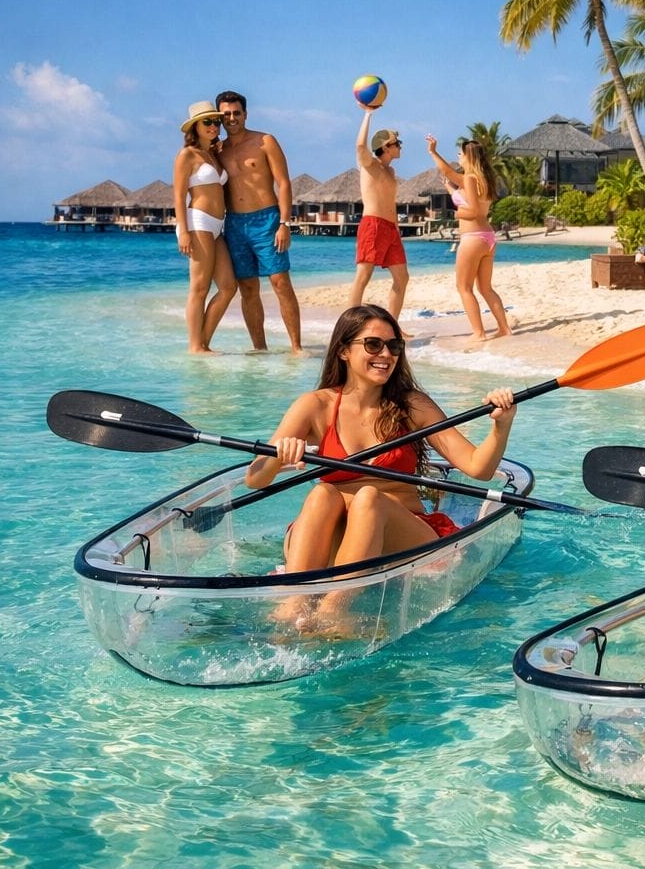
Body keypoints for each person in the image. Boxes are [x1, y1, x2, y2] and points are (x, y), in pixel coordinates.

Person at [246, 304, 517, 624]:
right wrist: (277, 456)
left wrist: (502, 425)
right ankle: (293, 606)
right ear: (344, 351)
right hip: (335, 536)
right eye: (374, 344)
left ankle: (335, 611)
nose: (386, 354)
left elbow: (477, 468)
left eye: (394, 346)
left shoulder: (412, 405)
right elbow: (256, 479)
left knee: (369, 497)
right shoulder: (314, 405)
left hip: (402, 536)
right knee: (321, 495)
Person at [217, 90, 304, 354]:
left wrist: (284, 223)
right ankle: (260, 348)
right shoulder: (217, 150)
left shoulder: (265, 141)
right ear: (220, 118)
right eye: (226, 114)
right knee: (247, 287)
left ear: (245, 114)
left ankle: (296, 347)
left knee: (280, 282)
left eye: (236, 113)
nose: (231, 118)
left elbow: (284, 183)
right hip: (234, 224)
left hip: (267, 219)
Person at [426, 134, 511, 341]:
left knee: (464, 287)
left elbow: (473, 211)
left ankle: (479, 333)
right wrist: (449, 187)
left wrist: (433, 151)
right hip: (488, 238)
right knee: (485, 288)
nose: (458, 156)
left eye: (460, 153)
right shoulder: (482, 180)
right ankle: (504, 329)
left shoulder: (470, 179)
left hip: (473, 237)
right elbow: (466, 197)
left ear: (469, 157)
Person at [171, 101, 236, 354]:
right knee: (199, 288)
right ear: (194, 127)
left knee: (229, 287)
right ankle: (194, 346)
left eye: (215, 121)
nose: (213, 126)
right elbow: (177, 196)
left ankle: (204, 341)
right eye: (207, 122)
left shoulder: (214, 154)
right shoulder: (186, 155)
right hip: (197, 221)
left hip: (217, 225)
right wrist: (183, 230)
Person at [347, 108, 409, 320]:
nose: (400, 146)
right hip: (372, 225)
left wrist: (397, 229)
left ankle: (393, 325)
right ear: (386, 147)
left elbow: (391, 203)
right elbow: (360, 146)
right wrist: (368, 114)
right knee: (363, 276)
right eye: (397, 143)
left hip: (391, 229)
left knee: (402, 278)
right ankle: (349, 325)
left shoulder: (391, 171)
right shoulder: (369, 165)